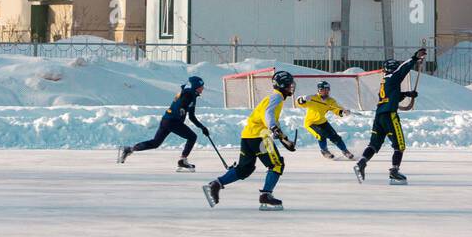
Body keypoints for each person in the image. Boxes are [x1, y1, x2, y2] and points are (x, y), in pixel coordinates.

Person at [204, 70, 296, 210]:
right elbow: (268, 114)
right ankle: (266, 195)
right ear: (283, 85)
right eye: (290, 84)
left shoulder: (273, 98)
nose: (292, 87)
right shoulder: (277, 97)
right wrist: (273, 128)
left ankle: (216, 184)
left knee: (245, 169)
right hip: (260, 136)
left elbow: (270, 119)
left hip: (248, 135)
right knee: (276, 165)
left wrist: (284, 139)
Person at [354, 49, 425, 185]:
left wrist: (407, 94)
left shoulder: (385, 81)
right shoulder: (394, 77)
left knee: (374, 144)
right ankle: (394, 171)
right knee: (400, 146)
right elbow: (403, 70)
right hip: (389, 116)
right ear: (393, 69)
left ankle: (361, 162)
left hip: (379, 116)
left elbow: (392, 96)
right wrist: (415, 58)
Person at [118, 74, 208, 172]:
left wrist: (202, 127)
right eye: (201, 86)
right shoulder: (188, 94)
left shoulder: (190, 95)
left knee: (155, 143)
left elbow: (191, 116)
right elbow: (183, 101)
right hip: (173, 121)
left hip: (166, 120)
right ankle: (183, 160)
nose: (202, 88)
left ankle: (129, 149)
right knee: (192, 137)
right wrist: (182, 108)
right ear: (195, 86)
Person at [296, 80, 354, 160]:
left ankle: (345, 151)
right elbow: (299, 103)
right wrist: (302, 99)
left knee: (335, 137)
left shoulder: (330, 101)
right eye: (324, 90)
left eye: (327, 90)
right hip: (311, 123)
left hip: (322, 122)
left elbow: (336, 109)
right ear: (319, 90)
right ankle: (324, 151)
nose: (326, 92)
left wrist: (343, 111)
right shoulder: (312, 98)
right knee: (321, 135)